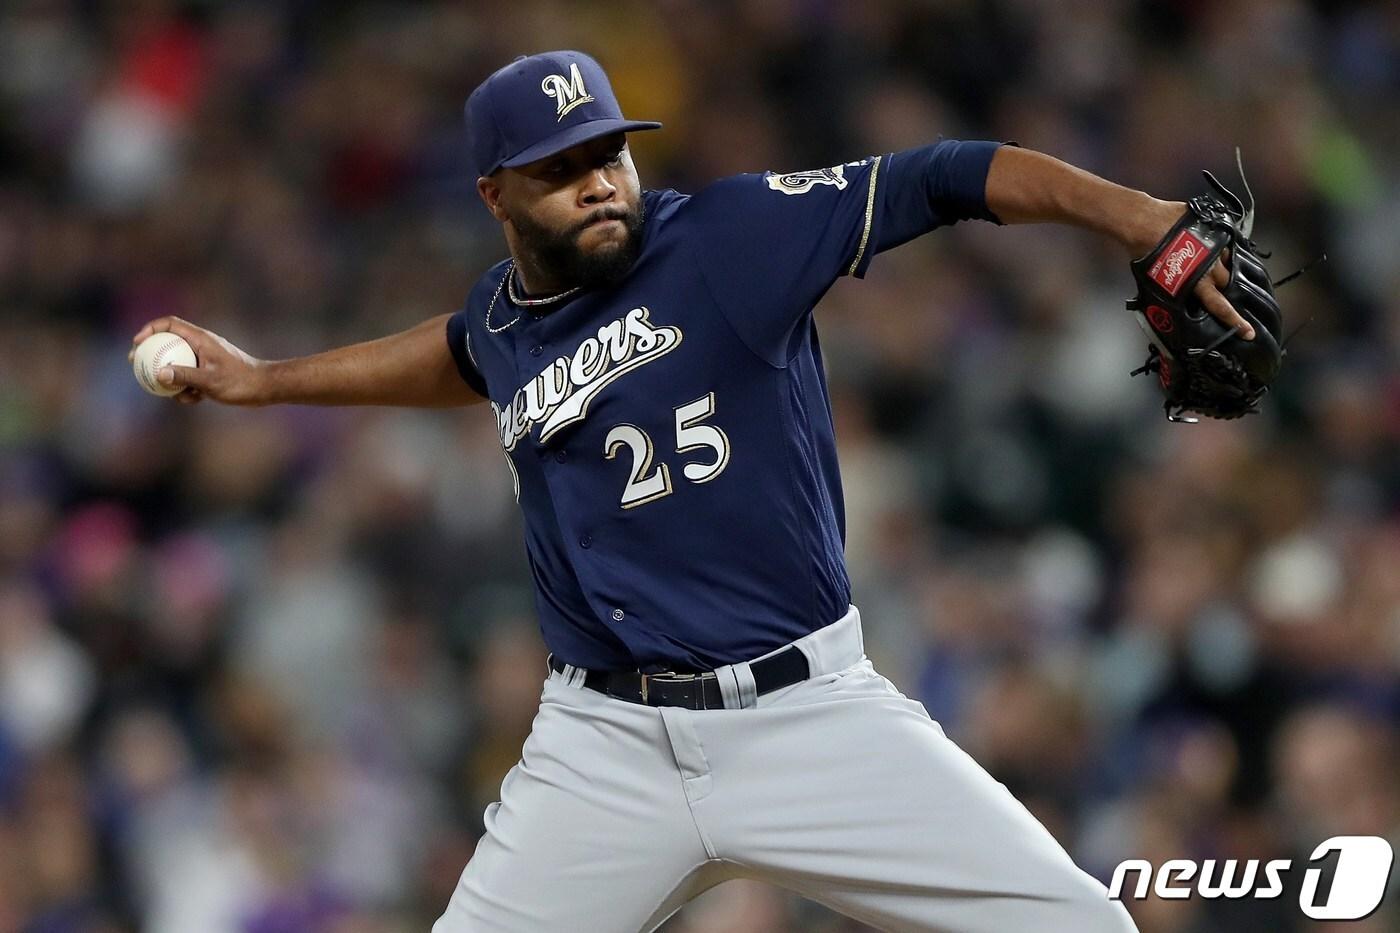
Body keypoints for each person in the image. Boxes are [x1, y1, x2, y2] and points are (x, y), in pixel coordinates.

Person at [133, 50, 1254, 933]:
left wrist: (1140, 218)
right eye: (562, 170)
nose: (599, 184)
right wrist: (267, 383)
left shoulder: (727, 235)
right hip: (601, 749)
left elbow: (947, 173)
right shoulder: (502, 318)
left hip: (807, 717)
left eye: (609, 154)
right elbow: (461, 355)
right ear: (493, 194)